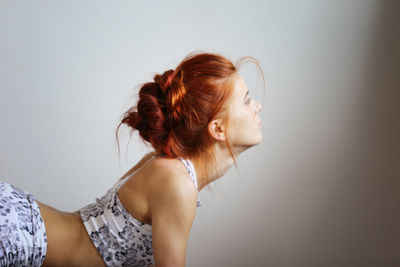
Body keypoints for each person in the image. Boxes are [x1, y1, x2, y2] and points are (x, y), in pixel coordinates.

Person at [0, 52, 263, 267]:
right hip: (17, 234)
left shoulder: (170, 168)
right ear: (217, 129)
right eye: (247, 100)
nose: (257, 106)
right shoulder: (177, 183)